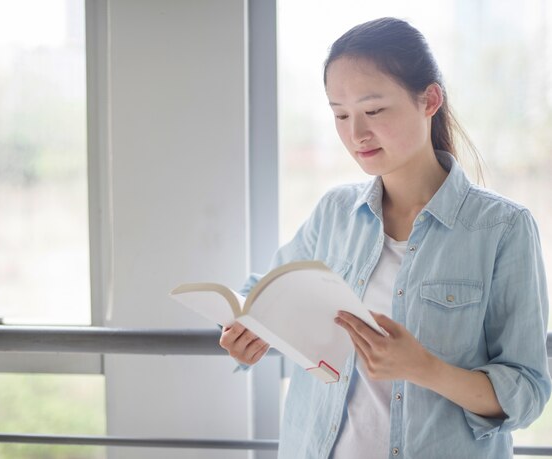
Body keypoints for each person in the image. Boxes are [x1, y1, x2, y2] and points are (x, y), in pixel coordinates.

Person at [219, 17, 550, 459]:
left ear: (429, 99)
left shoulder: (502, 229)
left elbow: (527, 391)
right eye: (340, 114)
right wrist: (243, 329)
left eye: (373, 111)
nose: (356, 134)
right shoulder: (335, 214)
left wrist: (424, 368)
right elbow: (259, 291)